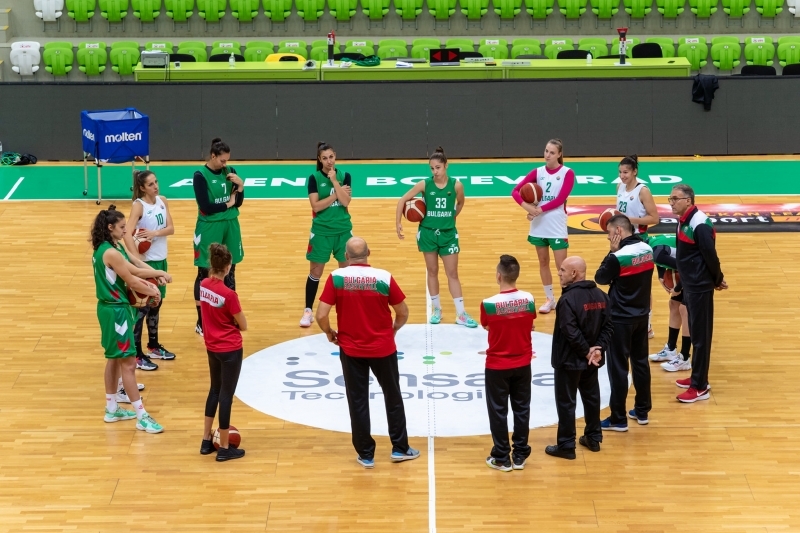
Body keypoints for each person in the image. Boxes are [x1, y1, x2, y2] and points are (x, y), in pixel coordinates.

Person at [316, 236, 419, 469]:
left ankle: (366, 454)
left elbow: (321, 314)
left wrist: (329, 332)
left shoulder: (336, 277)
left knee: (358, 400)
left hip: (351, 350)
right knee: (393, 396)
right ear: (368, 253)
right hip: (383, 348)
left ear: (346, 256)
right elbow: (403, 312)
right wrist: (393, 330)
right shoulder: (384, 277)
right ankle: (400, 448)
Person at [91, 205, 167, 434]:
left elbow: (135, 264)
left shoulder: (111, 246)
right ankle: (142, 416)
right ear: (110, 227)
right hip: (116, 311)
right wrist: (154, 288)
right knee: (129, 364)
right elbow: (132, 279)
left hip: (111, 308)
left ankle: (112, 408)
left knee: (114, 359)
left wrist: (155, 274)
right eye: (122, 227)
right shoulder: (111, 253)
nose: (126, 230)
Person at [395, 146, 477, 327]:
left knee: (452, 273)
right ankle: (437, 309)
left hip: (448, 235)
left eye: (438, 167)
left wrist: (452, 216)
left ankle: (461, 314)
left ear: (446, 165)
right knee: (432, 271)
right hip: (428, 233)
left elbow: (460, 202)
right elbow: (402, 200)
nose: (435, 171)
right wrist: (398, 222)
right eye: (432, 168)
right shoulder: (425, 184)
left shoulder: (456, 185)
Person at [546, 256, 613, 459]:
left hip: (569, 361)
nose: (559, 273)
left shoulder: (567, 300)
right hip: (592, 361)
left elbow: (570, 331)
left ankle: (567, 445)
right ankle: (593, 437)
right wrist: (598, 350)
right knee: (592, 398)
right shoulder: (602, 296)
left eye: (562, 270)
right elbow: (609, 326)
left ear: (574, 273)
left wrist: (586, 351)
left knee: (567, 402)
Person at [594, 214, 654, 431]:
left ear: (618, 231)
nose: (608, 237)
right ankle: (642, 410)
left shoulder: (617, 257)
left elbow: (600, 278)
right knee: (641, 363)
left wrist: (612, 251)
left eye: (609, 232)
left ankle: (618, 418)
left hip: (620, 319)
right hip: (642, 316)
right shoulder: (647, 249)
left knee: (618, 368)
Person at [669, 184, 727, 403]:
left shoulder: (699, 223)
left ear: (688, 201)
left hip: (700, 286)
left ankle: (700, 387)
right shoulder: (683, 220)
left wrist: (717, 279)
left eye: (675, 198)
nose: (671, 202)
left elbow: (710, 255)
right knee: (695, 333)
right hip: (690, 284)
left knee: (701, 337)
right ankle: (697, 377)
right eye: (670, 199)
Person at [480, 255, 536, 472]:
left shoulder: (488, 304)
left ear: (498, 276)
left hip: (497, 366)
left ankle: (502, 457)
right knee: (522, 409)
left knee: (498, 411)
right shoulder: (528, 299)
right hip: (523, 363)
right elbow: (529, 322)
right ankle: (520, 455)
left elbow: (487, 326)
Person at [121, 170, 176, 376]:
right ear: (142, 187)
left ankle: (153, 345)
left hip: (161, 259)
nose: (156, 186)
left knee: (156, 304)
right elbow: (126, 233)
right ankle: (136, 354)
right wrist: (137, 260)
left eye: (156, 182)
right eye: (151, 184)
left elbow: (171, 228)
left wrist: (154, 233)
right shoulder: (139, 205)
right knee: (142, 307)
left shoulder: (162, 200)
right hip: (147, 263)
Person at [511, 139, 575, 314]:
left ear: (559, 154)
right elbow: (515, 192)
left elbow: (560, 199)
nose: (547, 155)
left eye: (552, 152)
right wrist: (528, 208)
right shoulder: (537, 172)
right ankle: (550, 299)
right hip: (539, 225)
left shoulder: (567, 173)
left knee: (562, 266)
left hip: (556, 225)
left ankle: (566, 299)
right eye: (546, 151)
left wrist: (539, 209)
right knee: (543, 262)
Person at [199, 244, 247, 461]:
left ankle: (206, 441)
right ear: (228, 267)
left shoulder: (203, 285)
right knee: (226, 396)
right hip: (230, 349)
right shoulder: (229, 294)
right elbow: (243, 325)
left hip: (212, 347)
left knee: (214, 391)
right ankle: (225, 447)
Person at [193, 138, 245, 337]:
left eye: (227, 160)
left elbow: (238, 202)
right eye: (222, 160)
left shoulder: (230, 171)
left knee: (230, 271)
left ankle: (228, 317)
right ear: (213, 156)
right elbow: (206, 206)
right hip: (209, 226)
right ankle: (201, 321)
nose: (225, 164)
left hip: (230, 224)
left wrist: (240, 187)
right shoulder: (200, 175)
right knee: (205, 272)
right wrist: (228, 204)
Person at [300, 142, 353, 328]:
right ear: (319, 159)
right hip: (321, 232)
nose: (329, 161)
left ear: (335, 156)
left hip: (343, 231)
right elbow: (316, 206)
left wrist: (335, 182)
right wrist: (337, 194)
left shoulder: (345, 176)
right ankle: (308, 311)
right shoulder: (314, 178)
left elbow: (346, 202)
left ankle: (347, 310)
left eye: (331, 157)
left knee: (346, 273)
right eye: (325, 158)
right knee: (315, 273)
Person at [615, 155, 659, 338]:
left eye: (625, 172)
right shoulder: (619, 187)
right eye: (620, 172)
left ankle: (647, 324)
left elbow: (654, 218)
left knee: (642, 284)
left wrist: (629, 220)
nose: (622, 176)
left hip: (639, 240)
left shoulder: (643, 191)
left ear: (635, 171)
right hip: (621, 241)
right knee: (622, 281)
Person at [646, 233, 692, 373]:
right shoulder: (652, 244)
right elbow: (660, 259)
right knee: (674, 305)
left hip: (695, 269)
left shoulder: (655, 253)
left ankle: (684, 358)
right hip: (688, 265)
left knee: (685, 310)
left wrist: (677, 289)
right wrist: (661, 277)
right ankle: (671, 349)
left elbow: (686, 269)